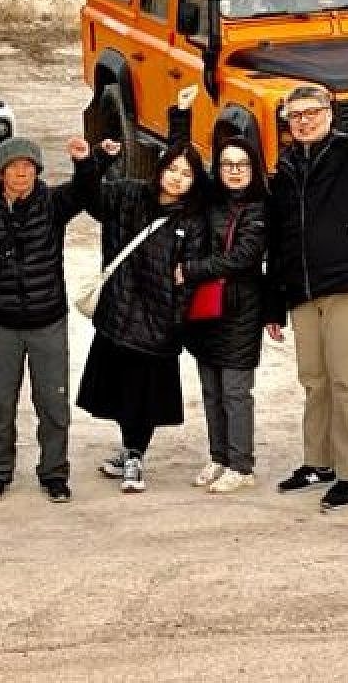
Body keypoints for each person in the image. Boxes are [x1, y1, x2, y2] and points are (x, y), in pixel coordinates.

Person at [264, 48, 348, 512]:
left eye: (311, 113)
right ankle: (318, 462)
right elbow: (278, 240)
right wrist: (274, 303)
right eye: (295, 116)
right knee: (314, 381)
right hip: (302, 291)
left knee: (345, 382)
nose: (303, 121)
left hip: (347, 285)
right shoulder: (283, 171)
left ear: (329, 114)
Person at [0, 133, 101, 504]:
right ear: (0, 172)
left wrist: (84, 161)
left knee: (53, 404)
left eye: (29, 167)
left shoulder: (52, 204)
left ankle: (54, 473)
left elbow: (85, 191)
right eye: (15, 167)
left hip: (49, 321)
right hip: (2, 323)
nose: (22, 173)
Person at [77, 140, 211, 495]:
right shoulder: (130, 196)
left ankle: (135, 455)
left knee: (143, 395)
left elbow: (190, 280)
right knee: (120, 389)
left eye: (187, 173)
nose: (177, 178)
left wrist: (176, 321)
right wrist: (93, 160)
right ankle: (128, 450)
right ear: (160, 169)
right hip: (120, 310)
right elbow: (90, 197)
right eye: (172, 169)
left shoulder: (193, 221)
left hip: (158, 321)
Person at [169, 87, 273, 496]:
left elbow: (243, 258)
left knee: (235, 391)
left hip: (240, 309)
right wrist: (181, 115)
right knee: (211, 389)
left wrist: (190, 270)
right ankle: (219, 456)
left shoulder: (260, 208)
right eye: (227, 164)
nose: (233, 171)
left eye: (241, 164)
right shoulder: (211, 199)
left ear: (253, 167)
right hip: (206, 308)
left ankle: (241, 465)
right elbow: (181, 162)